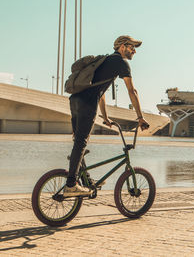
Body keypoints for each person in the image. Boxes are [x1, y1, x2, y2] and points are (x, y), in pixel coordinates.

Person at [63, 35, 150, 197]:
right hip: (87, 102)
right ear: (122, 47)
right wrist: (140, 117)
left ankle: (86, 180)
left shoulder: (106, 61)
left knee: (79, 142)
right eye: (132, 47)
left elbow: (101, 93)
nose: (135, 51)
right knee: (81, 142)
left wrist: (106, 117)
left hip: (75, 100)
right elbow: (132, 91)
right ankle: (71, 184)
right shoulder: (121, 63)